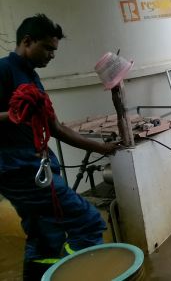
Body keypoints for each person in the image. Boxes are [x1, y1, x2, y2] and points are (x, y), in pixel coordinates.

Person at [0, 14, 119, 280]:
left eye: (54, 50)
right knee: (88, 222)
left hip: (35, 165)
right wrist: (14, 113)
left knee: (45, 233)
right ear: (27, 41)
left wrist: (104, 149)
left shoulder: (31, 77)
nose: (52, 55)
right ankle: (78, 274)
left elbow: (56, 128)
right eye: (48, 48)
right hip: (17, 169)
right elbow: (20, 114)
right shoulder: (4, 70)